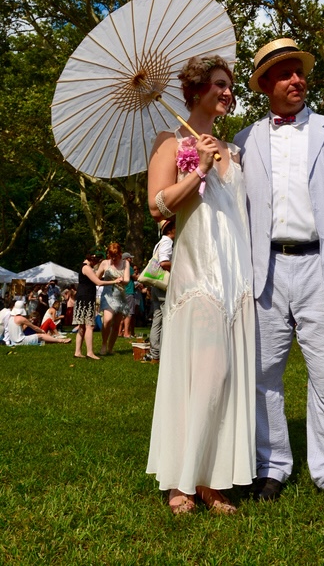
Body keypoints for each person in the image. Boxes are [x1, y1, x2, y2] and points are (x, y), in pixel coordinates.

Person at [233, 38, 324, 506]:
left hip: (322, 265)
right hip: (266, 269)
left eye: (300, 71)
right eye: (286, 73)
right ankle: (270, 467)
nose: (297, 79)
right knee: (263, 374)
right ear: (265, 84)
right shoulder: (243, 141)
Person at [146, 55, 255, 515]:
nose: (227, 92)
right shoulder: (170, 142)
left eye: (229, 85)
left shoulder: (236, 149)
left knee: (230, 377)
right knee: (202, 373)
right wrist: (201, 169)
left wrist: (218, 157)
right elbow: (158, 206)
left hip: (237, 276)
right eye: (218, 85)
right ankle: (180, 482)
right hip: (198, 273)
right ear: (194, 92)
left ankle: (214, 481)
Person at [73, 251, 122, 360]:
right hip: (86, 298)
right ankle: (90, 353)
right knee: (89, 326)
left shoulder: (84, 267)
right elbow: (98, 282)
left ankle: (77, 352)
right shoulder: (86, 268)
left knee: (82, 326)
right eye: (96, 260)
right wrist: (115, 281)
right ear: (92, 258)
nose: (96, 263)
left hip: (82, 297)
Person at [147, 219, 176, 364]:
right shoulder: (167, 242)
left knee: (157, 320)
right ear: (171, 228)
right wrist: (180, 264)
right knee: (166, 318)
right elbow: (164, 262)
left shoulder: (160, 242)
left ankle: (155, 354)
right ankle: (163, 354)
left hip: (156, 285)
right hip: (163, 286)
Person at [96, 244, 131, 356]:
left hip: (120, 295)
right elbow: (96, 278)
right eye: (111, 256)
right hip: (108, 295)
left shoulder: (125, 263)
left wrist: (121, 281)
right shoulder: (105, 263)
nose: (114, 258)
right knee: (107, 320)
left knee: (116, 325)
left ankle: (110, 348)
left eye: (115, 256)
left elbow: (127, 280)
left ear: (120, 254)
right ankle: (104, 344)